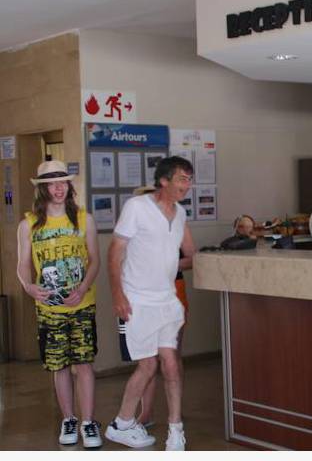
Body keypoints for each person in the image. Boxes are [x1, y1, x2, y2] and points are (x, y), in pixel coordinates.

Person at [104, 157, 195, 451]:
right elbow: (115, 253)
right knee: (147, 366)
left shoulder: (180, 214)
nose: (187, 185)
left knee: (170, 363)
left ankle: (175, 431)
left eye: (189, 179)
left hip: (167, 299)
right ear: (164, 181)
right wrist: (117, 295)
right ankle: (122, 423)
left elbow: (187, 255)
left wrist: (167, 264)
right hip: (137, 300)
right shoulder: (137, 207)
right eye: (182, 179)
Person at [16, 160, 102, 448]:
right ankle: (69, 419)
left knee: (84, 362)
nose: (58, 188)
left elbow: (95, 260)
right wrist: (28, 286)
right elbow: (22, 263)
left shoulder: (84, 219)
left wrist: (83, 287)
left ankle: (88, 422)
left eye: (62, 182)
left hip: (82, 304)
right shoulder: (29, 224)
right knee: (59, 365)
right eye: (52, 183)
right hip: (49, 308)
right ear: (42, 189)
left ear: (69, 185)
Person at [131, 185, 191, 429]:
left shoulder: (175, 224)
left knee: (172, 355)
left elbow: (191, 258)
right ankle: (146, 413)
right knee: (147, 358)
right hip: (141, 296)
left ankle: (176, 412)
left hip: (172, 290)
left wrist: (164, 264)